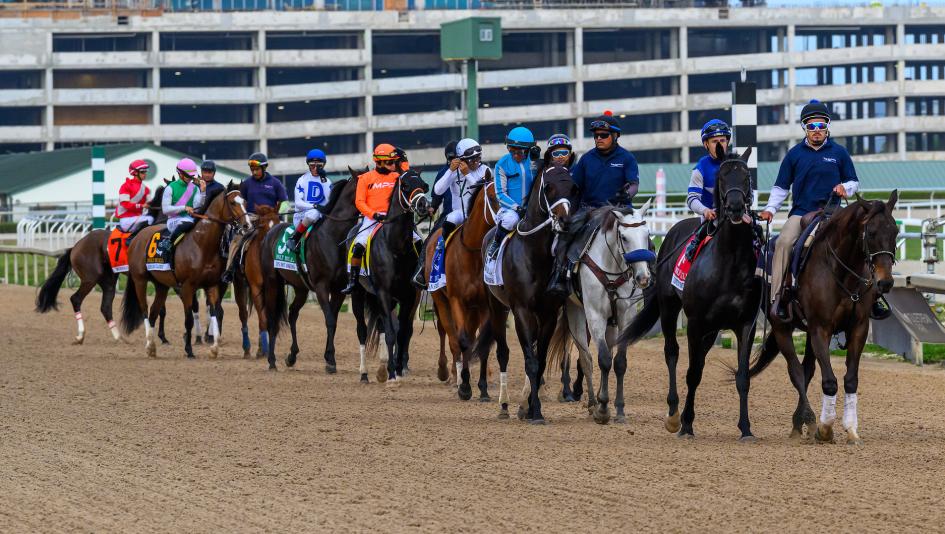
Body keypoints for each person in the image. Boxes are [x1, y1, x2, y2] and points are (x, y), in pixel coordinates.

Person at [759, 99, 863, 320]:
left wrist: (844, 187)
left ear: (827, 127)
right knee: (784, 243)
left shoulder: (839, 153)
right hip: (801, 212)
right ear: (805, 128)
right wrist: (770, 209)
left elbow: (854, 182)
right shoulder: (794, 154)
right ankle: (777, 298)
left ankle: (869, 298)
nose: (817, 131)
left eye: (821, 126)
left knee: (860, 241)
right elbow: (781, 187)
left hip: (834, 213)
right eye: (811, 127)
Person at [547, 111, 640, 297]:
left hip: (618, 210)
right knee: (565, 234)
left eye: (603, 135)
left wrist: (626, 193)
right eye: (596, 135)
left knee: (642, 232)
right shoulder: (586, 159)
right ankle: (559, 276)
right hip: (589, 211)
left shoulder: (627, 158)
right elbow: (574, 188)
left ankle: (650, 278)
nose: (599, 138)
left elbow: (634, 185)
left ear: (615, 136)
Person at [412, 138, 490, 287]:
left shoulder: (484, 170)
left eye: (477, 158)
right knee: (447, 223)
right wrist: (450, 172)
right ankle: (441, 264)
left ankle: (493, 262)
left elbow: (481, 190)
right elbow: (438, 190)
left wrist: (467, 173)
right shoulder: (451, 172)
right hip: (458, 212)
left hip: (478, 213)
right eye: (471, 160)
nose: (475, 162)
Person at [342, 144, 409, 294]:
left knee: (417, 240)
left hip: (396, 218)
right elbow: (359, 202)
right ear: (379, 162)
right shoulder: (365, 179)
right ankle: (353, 280)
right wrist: (374, 215)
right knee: (358, 245)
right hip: (372, 219)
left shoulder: (398, 176)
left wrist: (403, 158)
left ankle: (420, 272)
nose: (393, 165)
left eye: (394, 162)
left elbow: (408, 173)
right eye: (390, 162)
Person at [221, 152, 288, 283]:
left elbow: (285, 202)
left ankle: (288, 271)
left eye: (257, 169)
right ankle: (229, 271)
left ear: (264, 168)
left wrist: (275, 213)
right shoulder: (246, 184)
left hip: (270, 218)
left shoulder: (275, 183)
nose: (254, 172)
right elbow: (242, 202)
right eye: (252, 170)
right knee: (236, 240)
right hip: (251, 217)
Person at [485, 126, 540, 261]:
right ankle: (495, 244)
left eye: (520, 151)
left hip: (533, 208)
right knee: (511, 220)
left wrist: (536, 161)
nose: (515, 155)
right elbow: (500, 194)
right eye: (511, 150)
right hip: (511, 210)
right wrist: (517, 208)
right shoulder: (501, 164)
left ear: (529, 149)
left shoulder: (534, 162)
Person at [682, 119, 732, 261]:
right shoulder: (701, 168)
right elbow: (691, 199)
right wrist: (705, 211)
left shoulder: (735, 163)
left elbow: (748, 194)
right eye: (714, 141)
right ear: (706, 144)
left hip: (735, 216)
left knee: (758, 235)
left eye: (723, 140)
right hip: (712, 220)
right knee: (695, 249)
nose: (720, 144)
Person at [287, 149, 332, 252]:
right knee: (314, 213)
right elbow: (298, 203)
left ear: (323, 165)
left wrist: (323, 180)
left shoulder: (327, 181)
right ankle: (294, 238)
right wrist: (315, 206)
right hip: (302, 216)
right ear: (308, 165)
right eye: (312, 165)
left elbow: (329, 201)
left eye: (319, 166)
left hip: (321, 216)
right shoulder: (302, 180)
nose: (315, 168)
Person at [161, 158, 206, 258]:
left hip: (190, 220)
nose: (190, 177)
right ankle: (168, 242)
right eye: (188, 175)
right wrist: (184, 208)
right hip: (174, 220)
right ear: (180, 174)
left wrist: (203, 192)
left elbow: (198, 208)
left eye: (192, 175)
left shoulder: (195, 188)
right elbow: (165, 210)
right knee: (187, 222)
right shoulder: (170, 188)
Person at [116, 159, 153, 245]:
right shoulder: (125, 186)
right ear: (135, 173)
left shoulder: (146, 189)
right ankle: (131, 239)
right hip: (126, 219)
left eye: (145, 172)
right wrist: (141, 206)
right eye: (143, 172)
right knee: (151, 219)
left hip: (137, 219)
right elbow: (125, 204)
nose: (145, 174)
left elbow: (150, 203)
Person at [429, 141, 458, 225]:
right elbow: (436, 197)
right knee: (433, 236)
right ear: (447, 157)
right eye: (452, 158)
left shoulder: (469, 169)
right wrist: (432, 208)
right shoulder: (442, 173)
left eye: (457, 157)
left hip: (469, 214)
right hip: (448, 214)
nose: (454, 160)